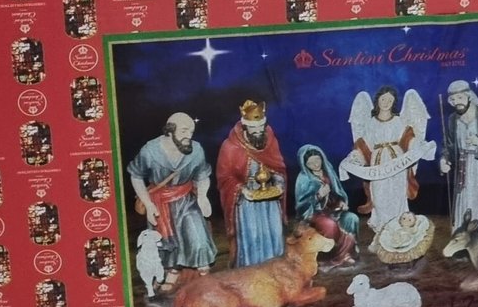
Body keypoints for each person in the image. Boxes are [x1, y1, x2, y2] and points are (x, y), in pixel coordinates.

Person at [126, 112, 216, 292]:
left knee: (199, 238)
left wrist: (202, 196)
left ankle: (206, 278)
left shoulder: (196, 150)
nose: (188, 135)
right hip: (161, 203)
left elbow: (202, 175)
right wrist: (148, 204)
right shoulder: (150, 151)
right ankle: (172, 273)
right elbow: (136, 176)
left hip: (187, 200)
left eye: (191, 131)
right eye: (184, 131)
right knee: (168, 243)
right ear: (169, 131)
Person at [339, 85, 435, 238]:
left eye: (390, 100)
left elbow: (409, 139)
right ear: (378, 100)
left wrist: (420, 146)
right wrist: (352, 159)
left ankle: (400, 229)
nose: (386, 103)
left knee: (397, 194)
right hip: (378, 163)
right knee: (379, 195)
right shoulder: (371, 122)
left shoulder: (399, 120)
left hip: (397, 161)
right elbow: (364, 145)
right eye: (383, 99)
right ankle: (382, 231)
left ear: (394, 102)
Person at [216, 99, 288, 267]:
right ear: (245, 127)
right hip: (246, 201)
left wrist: (278, 183)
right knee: (253, 236)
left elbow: (278, 167)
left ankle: (275, 270)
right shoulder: (230, 147)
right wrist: (242, 190)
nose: (258, 131)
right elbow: (225, 177)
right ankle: (251, 270)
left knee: (275, 233)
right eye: (253, 128)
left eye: (261, 127)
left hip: (270, 199)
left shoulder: (270, 140)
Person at [438, 79, 478, 232]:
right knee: (464, 198)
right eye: (453, 99)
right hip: (462, 166)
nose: (457, 102)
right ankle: (462, 234)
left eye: (460, 97)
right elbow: (448, 145)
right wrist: (444, 159)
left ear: (469, 96)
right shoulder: (453, 119)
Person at [294, 143, 359, 265]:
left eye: (317, 160)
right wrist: (319, 195)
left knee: (351, 218)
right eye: (310, 163)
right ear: (305, 164)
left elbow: (337, 192)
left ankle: (346, 254)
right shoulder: (304, 179)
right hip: (314, 214)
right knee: (329, 225)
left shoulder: (328, 172)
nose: (315, 164)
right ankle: (328, 257)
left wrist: (341, 203)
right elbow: (302, 206)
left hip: (333, 210)